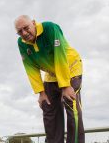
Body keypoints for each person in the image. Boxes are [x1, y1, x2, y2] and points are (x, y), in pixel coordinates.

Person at [14, 15, 84, 143]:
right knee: (47, 105)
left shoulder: (50, 28)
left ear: (34, 23)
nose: (24, 33)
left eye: (26, 28)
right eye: (20, 32)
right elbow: (30, 69)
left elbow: (60, 55)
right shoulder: (22, 43)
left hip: (70, 68)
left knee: (70, 101)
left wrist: (65, 86)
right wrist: (41, 93)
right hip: (52, 74)